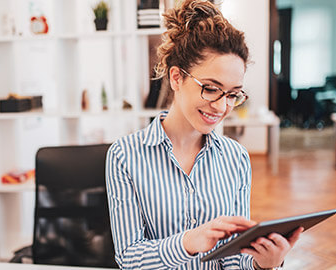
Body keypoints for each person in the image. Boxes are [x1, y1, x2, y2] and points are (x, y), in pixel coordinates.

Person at [105, 1, 302, 269]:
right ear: (176, 78)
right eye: (210, 88)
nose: (222, 107)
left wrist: (262, 264)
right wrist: (188, 243)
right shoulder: (124, 155)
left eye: (233, 94)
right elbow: (128, 257)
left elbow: (234, 256)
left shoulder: (236, 158)